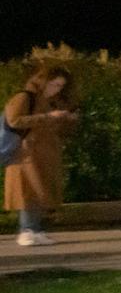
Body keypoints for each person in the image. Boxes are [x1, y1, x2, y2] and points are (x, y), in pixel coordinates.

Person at [5, 64, 79, 247]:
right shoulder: (25, 97)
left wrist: (67, 119)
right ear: (43, 81)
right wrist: (47, 117)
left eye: (60, 86)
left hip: (46, 153)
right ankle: (26, 230)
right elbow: (14, 120)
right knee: (28, 191)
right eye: (54, 84)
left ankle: (36, 230)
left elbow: (59, 129)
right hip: (26, 153)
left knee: (41, 192)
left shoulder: (55, 101)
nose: (56, 89)